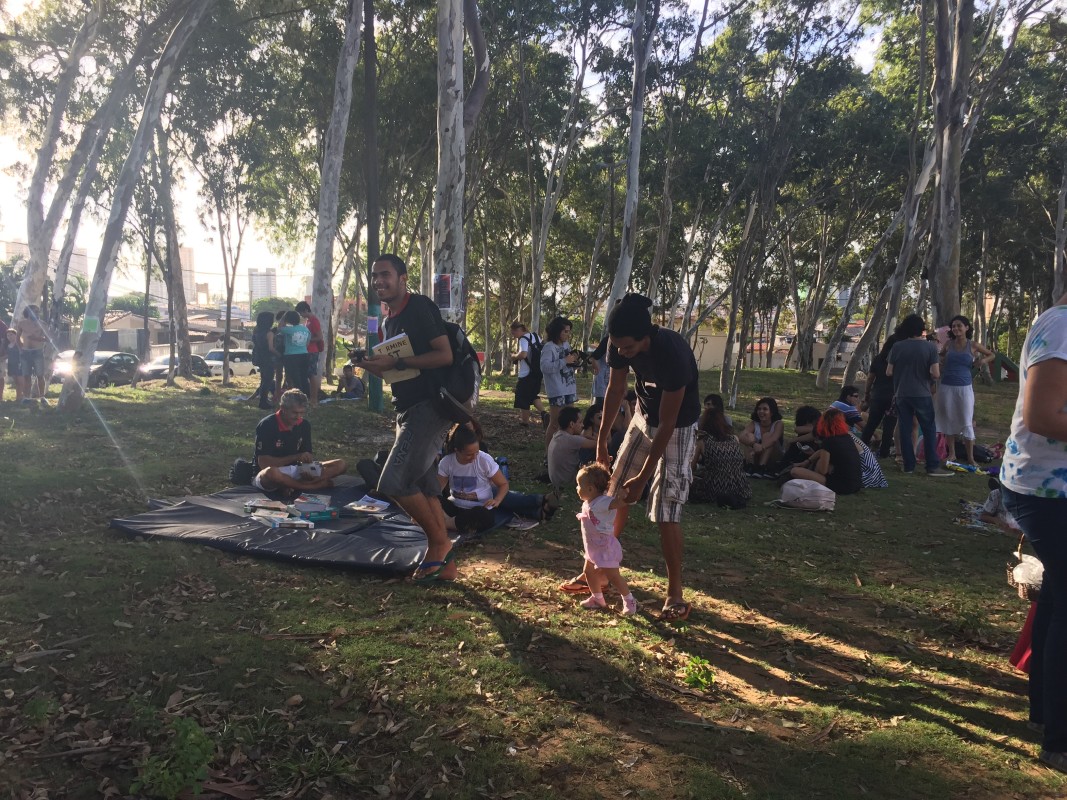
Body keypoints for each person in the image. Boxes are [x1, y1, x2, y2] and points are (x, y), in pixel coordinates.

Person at [595, 293, 701, 622]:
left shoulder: (673, 353)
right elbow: (615, 389)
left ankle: (675, 592)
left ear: (646, 336)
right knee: (611, 494)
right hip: (642, 418)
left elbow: (668, 423)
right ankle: (599, 573)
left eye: (628, 348)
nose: (622, 353)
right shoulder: (618, 343)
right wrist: (602, 439)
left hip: (678, 427)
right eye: (617, 347)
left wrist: (643, 477)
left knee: (666, 507)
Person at [358, 253, 458, 582]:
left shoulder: (420, 308)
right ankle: (447, 568)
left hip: (430, 407)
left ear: (403, 278)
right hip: (407, 408)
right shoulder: (389, 321)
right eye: (374, 276)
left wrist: (397, 364)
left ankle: (439, 544)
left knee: (393, 482)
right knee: (426, 487)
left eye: (385, 275)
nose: (378, 282)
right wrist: (373, 364)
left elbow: (443, 355)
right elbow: (399, 367)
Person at [999, 292, 1067, 773]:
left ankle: (1047, 717)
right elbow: (1042, 416)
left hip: (1046, 487)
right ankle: (1060, 736)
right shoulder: (1063, 328)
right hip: (1048, 492)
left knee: (1059, 597)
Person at [437, 424, 558, 533]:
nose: (474, 457)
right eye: (469, 455)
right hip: (456, 506)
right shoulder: (447, 462)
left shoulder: (484, 460)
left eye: (476, 453)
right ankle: (453, 523)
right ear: (457, 450)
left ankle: (446, 524)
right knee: (434, 500)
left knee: (483, 515)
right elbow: (437, 490)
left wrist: (497, 500)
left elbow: (503, 484)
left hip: (480, 508)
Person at [887, 313, 953, 476]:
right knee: (929, 428)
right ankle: (932, 466)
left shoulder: (897, 346)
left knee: (905, 428)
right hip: (922, 393)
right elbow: (936, 374)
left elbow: (889, 372)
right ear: (921, 329)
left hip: (901, 393)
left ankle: (908, 465)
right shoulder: (930, 347)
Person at [252, 389, 347, 494]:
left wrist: (308, 467)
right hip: (270, 472)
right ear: (283, 409)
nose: (298, 417)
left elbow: (306, 454)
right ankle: (309, 486)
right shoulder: (267, 425)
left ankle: (293, 485)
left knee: (340, 464)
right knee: (272, 473)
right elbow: (264, 463)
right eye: (295, 413)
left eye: (301, 413)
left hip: (296, 469)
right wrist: (295, 457)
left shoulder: (304, 425)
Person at [573, 462, 637, 615]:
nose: (576, 488)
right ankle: (597, 598)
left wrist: (625, 495)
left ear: (590, 489)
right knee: (588, 572)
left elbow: (617, 503)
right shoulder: (589, 501)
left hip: (604, 546)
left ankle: (629, 600)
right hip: (593, 547)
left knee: (613, 575)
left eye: (578, 485)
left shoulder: (603, 502)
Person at [936, 315, 994, 466]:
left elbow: (992, 354)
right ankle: (952, 454)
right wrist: (940, 362)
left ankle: (970, 458)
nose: (956, 329)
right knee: (947, 418)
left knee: (966, 420)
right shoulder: (948, 344)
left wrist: (982, 361)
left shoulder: (973, 345)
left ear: (966, 328)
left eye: (959, 326)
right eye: (953, 326)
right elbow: (940, 357)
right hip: (946, 386)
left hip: (964, 388)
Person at [789, 408, 863, 495]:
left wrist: (822, 464)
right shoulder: (847, 437)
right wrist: (807, 461)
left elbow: (823, 471)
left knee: (795, 471)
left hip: (841, 486)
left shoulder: (829, 441)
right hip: (856, 485)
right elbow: (821, 452)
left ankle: (812, 486)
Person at [689, 406, 750, 508]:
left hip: (714, 488)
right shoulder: (734, 439)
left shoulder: (703, 442)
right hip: (739, 487)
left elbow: (690, 467)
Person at [541, 316, 581, 447]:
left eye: (569, 331)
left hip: (569, 388)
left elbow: (567, 362)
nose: (568, 335)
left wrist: (574, 359)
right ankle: (548, 454)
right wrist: (565, 361)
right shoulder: (548, 347)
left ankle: (565, 449)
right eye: (565, 331)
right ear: (557, 331)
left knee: (571, 421)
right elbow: (545, 367)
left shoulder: (566, 345)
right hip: (557, 390)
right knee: (555, 423)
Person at [860, 333, 900, 459]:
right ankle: (884, 452)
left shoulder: (878, 359)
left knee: (871, 424)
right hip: (894, 396)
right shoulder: (900, 360)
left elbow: (870, 379)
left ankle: (862, 449)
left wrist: (867, 394)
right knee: (889, 426)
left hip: (877, 395)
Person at [547, 405, 595, 489]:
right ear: (572, 424)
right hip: (568, 481)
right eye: (580, 422)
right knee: (591, 451)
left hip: (556, 480)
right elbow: (599, 445)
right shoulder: (572, 440)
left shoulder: (557, 435)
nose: (583, 425)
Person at [510, 321, 546, 427]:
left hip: (526, 374)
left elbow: (523, 354)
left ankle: (524, 422)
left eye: (513, 333)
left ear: (519, 330)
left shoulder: (523, 339)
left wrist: (514, 356)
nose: (513, 335)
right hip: (538, 372)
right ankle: (544, 413)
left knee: (522, 397)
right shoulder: (535, 336)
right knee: (533, 395)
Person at [739, 397, 785, 476]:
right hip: (755, 455)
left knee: (767, 436)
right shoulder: (754, 423)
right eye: (759, 409)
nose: (761, 411)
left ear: (772, 412)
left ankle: (761, 467)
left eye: (765, 409)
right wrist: (754, 444)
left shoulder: (778, 424)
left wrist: (761, 447)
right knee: (749, 436)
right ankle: (750, 466)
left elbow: (774, 439)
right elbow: (741, 436)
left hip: (773, 457)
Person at [274, 310, 311, 396]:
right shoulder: (305, 329)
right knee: (304, 378)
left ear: (288, 320)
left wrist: (284, 317)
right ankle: (306, 396)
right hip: (304, 354)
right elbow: (307, 342)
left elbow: (279, 328)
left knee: (295, 378)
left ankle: (298, 396)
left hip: (291, 356)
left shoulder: (289, 330)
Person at [15, 304, 48, 401]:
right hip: (25, 353)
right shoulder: (21, 323)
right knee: (26, 376)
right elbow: (17, 338)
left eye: (38, 311)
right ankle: (26, 397)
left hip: (37, 352)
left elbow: (49, 339)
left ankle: (42, 397)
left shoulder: (43, 324)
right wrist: (21, 349)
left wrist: (36, 338)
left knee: (40, 375)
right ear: (28, 312)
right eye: (35, 311)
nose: (37, 313)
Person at [296, 301, 325, 406]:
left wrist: (307, 340)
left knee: (311, 375)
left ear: (305, 310)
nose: (301, 315)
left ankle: (314, 399)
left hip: (312, 351)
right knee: (307, 374)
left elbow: (319, 337)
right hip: (306, 350)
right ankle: (310, 397)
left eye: (301, 313)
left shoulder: (314, 320)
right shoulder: (308, 321)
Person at [250, 311, 276, 410]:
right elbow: (271, 348)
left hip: (259, 357)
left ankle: (263, 399)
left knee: (264, 379)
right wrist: (279, 354)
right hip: (268, 358)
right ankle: (263, 402)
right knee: (268, 380)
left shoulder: (256, 331)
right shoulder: (269, 333)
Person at [4, 326, 20, 402]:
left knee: (21, 382)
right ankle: (19, 396)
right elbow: (7, 355)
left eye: (11, 335)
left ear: (15, 335)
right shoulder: (8, 345)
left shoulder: (19, 344)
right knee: (16, 382)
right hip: (11, 365)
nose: (9, 336)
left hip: (19, 365)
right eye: (8, 335)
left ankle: (20, 397)